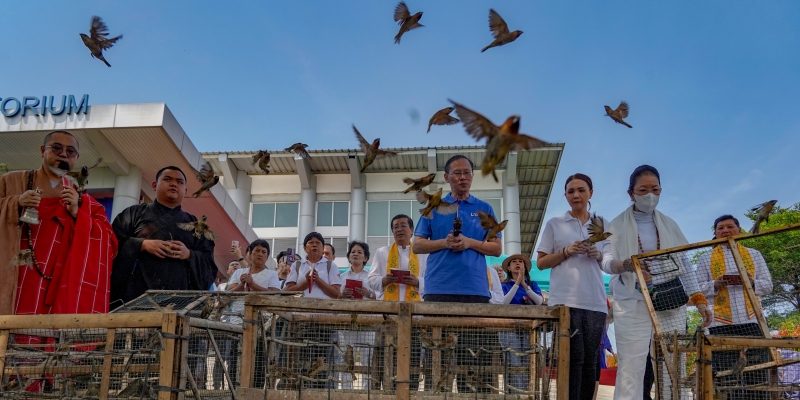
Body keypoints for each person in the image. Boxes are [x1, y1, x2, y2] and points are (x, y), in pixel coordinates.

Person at [600, 165, 712, 400]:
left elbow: (684, 264)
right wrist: (625, 265)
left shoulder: (670, 224)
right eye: (643, 190)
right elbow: (606, 260)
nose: (650, 195)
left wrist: (699, 300)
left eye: (655, 189)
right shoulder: (616, 225)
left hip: (670, 301)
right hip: (632, 299)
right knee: (632, 365)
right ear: (631, 193)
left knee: (673, 362)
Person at [0, 130, 118, 316]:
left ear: (76, 157)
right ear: (42, 151)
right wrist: (15, 202)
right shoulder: (12, 181)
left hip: (61, 279)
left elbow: (109, 240)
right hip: (18, 273)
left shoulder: (83, 201)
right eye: (56, 148)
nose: (63, 154)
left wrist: (78, 214)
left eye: (70, 151)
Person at [413, 155, 502, 393]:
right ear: (446, 177)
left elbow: (497, 247)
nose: (463, 177)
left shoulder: (485, 208)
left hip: (474, 291)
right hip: (438, 290)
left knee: (472, 361)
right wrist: (445, 242)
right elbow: (418, 245)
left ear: (473, 176)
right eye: (457, 173)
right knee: (436, 362)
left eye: (467, 173)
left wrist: (469, 242)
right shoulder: (434, 205)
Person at [536, 173, 610, 400]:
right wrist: (566, 252)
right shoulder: (555, 223)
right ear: (566, 195)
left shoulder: (602, 223)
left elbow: (609, 262)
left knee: (590, 361)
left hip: (596, 302)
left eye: (581, 190)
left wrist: (598, 254)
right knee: (572, 359)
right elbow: (540, 263)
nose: (576, 195)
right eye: (570, 191)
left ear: (591, 193)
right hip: (566, 302)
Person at [109, 166, 217, 306]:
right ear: (154, 185)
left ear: (185, 190)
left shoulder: (196, 225)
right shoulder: (133, 214)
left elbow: (208, 263)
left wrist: (189, 255)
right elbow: (111, 242)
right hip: (133, 300)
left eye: (179, 182)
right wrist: (141, 244)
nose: (173, 184)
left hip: (179, 304)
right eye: (167, 179)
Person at [697, 215, 773, 400]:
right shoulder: (705, 258)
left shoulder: (754, 254)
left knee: (756, 375)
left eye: (730, 226)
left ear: (739, 230)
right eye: (720, 228)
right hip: (720, 324)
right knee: (725, 376)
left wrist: (751, 281)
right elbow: (697, 288)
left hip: (752, 321)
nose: (725, 230)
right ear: (715, 233)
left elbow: (768, 285)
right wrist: (716, 283)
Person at [368, 214, 430, 390]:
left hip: (414, 317)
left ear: (412, 230)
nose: (399, 229)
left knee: (411, 359)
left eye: (403, 225)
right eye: (395, 226)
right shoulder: (382, 252)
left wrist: (418, 282)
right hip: (388, 317)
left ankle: (409, 392)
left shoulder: (423, 254)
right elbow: (370, 280)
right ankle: (386, 393)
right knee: (385, 359)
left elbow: (431, 281)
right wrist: (383, 281)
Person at [284, 232, 342, 388]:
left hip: (325, 322)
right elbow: (288, 291)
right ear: (304, 247)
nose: (314, 245)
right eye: (311, 242)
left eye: (318, 242)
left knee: (325, 364)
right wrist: (305, 283)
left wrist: (318, 280)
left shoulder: (330, 265)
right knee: (302, 363)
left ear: (323, 247)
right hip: (300, 322)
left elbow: (336, 294)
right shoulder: (297, 265)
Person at [499, 254, 543, 393]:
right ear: (508, 267)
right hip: (508, 328)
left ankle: (526, 393)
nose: (518, 263)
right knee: (513, 362)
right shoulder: (504, 285)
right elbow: (503, 302)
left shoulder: (532, 284)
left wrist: (524, 285)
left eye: (521, 262)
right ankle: (514, 394)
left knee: (528, 362)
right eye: (514, 262)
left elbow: (540, 301)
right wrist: (517, 284)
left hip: (529, 329)